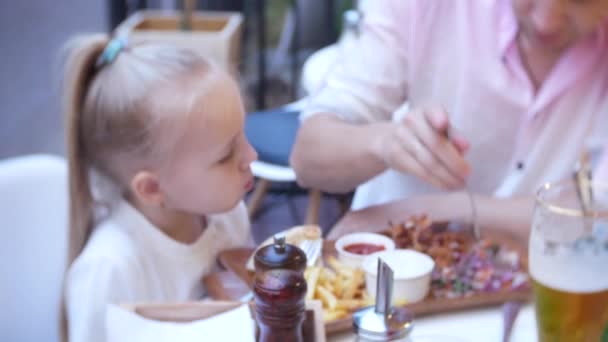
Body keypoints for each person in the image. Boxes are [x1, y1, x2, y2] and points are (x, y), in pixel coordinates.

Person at [291, 0, 608, 240]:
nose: (546, 20)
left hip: (542, 304)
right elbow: (308, 157)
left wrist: (438, 210)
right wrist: (385, 143)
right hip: (397, 282)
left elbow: (600, 212)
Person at [61, 34, 257, 342]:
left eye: (243, 136)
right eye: (224, 156)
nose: (251, 157)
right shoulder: (109, 271)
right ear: (152, 188)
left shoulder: (228, 217)